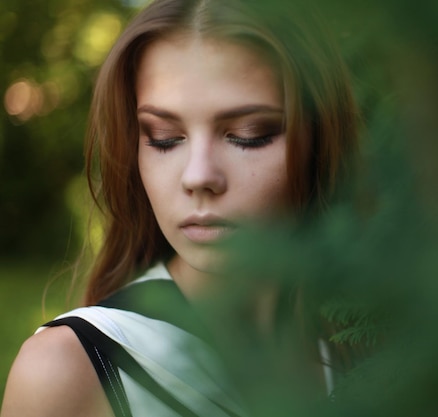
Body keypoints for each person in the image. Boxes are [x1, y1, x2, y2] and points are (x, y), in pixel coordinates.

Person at [0, 0, 359, 415]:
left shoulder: (377, 343)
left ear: (321, 140)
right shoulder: (69, 370)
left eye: (248, 134)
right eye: (164, 137)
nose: (198, 176)